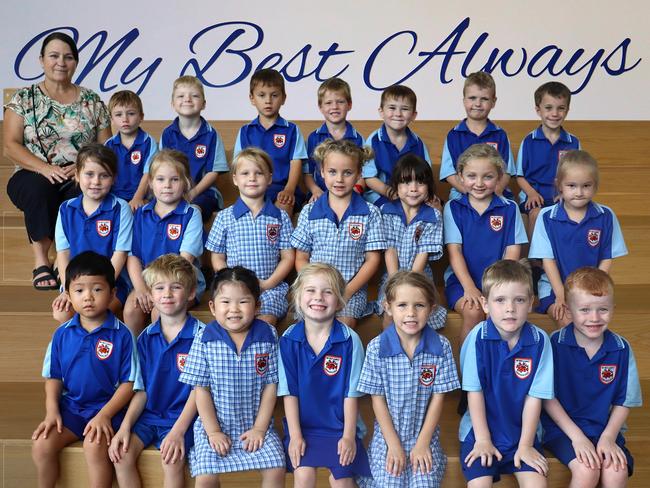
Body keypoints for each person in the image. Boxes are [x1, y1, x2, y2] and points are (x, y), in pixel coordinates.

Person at [4, 32, 111, 290]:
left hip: (81, 173)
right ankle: (41, 260)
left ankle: (65, 260)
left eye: (68, 57)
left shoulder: (92, 101)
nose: (60, 62)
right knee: (39, 189)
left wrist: (82, 169)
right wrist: (45, 169)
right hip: (32, 172)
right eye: (53, 56)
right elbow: (10, 145)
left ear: (76, 62)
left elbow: (106, 147)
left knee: (85, 192)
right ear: (42, 60)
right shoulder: (23, 99)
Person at [31, 251, 140, 488]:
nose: (88, 297)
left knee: (94, 446)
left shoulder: (122, 335)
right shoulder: (62, 333)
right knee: (41, 445)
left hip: (108, 411)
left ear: (112, 293)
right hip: (72, 409)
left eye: (97, 290)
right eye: (79, 290)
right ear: (68, 295)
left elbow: (129, 383)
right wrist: (52, 411)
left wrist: (105, 415)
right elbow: (53, 377)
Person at [179, 266, 286, 487]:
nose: (234, 309)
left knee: (276, 467)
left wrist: (259, 428)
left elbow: (270, 385)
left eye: (243, 302)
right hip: (214, 425)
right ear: (212, 306)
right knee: (206, 478)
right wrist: (214, 432)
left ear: (257, 306)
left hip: (256, 424)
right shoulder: (204, 338)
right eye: (225, 302)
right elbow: (201, 390)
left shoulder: (269, 336)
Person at [542, 267, 642, 488]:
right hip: (562, 429)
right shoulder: (553, 344)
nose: (594, 318)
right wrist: (577, 437)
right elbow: (546, 397)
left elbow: (624, 400)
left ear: (613, 309)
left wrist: (608, 437)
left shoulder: (621, 348)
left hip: (603, 428)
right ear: (568, 310)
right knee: (587, 471)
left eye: (603, 309)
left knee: (616, 471)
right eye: (585, 310)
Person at [358, 271, 460, 487]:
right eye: (402, 305)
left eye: (419, 305)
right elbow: (377, 400)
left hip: (424, 435)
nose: (411, 313)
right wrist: (393, 444)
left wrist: (423, 443)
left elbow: (438, 399)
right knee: (390, 481)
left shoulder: (441, 347)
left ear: (431, 309)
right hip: (388, 437)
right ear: (388, 307)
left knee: (424, 481)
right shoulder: (377, 348)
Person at [109, 254, 203, 488]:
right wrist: (125, 427)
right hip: (149, 417)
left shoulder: (204, 337)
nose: (167, 294)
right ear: (150, 295)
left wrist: (178, 431)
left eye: (176, 287)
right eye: (159, 288)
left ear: (191, 293)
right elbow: (140, 391)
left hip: (185, 418)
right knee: (122, 455)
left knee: (171, 460)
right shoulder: (144, 339)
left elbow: (199, 392)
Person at [459, 260, 553, 487]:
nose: (510, 308)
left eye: (519, 300)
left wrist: (526, 445)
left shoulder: (540, 341)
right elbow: (474, 392)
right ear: (485, 304)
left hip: (522, 433)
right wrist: (482, 440)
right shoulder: (477, 338)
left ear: (531, 302)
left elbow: (535, 396)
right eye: (500, 300)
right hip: (480, 432)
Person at [278, 263, 371, 487]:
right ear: (298, 297)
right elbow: (289, 393)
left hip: (341, 428)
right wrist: (295, 435)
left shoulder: (350, 340)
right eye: (310, 290)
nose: (318, 297)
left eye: (327, 291)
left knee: (342, 481)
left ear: (339, 301)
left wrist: (348, 436)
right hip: (304, 427)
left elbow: (351, 394)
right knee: (303, 475)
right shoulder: (289, 339)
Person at [291, 139, 386, 329]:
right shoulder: (310, 212)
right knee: (311, 327)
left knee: (344, 327)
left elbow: (372, 260)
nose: (339, 179)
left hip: (351, 291)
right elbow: (301, 258)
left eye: (348, 173)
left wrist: (346, 292)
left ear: (359, 174)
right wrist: (316, 289)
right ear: (322, 173)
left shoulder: (370, 213)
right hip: (315, 291)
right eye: (333, 172)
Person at [529, 150, 627, 327]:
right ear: (559, 185)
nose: (579, 192)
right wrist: (561, 294)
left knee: (592, 323)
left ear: (595, 185)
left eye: (586, 186)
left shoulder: (605, 216)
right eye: (572, 186)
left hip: (590, 288)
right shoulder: (546, 217)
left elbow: (606, 258)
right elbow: (547, 261)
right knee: (568, 322)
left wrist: (592, 290)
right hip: (553, 288)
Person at [443, 144, 527, 340]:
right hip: (461, 281)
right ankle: (467, 369)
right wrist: (470, 288)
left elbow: (512, 255)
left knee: (498, 314)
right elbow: (454, 252)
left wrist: (497, 290)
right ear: (461, 177)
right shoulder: (453, 208)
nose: (479, 183)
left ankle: (496, 366)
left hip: (501, 283)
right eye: (472, 176)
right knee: (474, 312)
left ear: (499, 178)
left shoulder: (509, 208)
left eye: (487, 177)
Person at [206, 147, 295, 326]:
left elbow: (287, 257)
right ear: (235, 179)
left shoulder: (280, 217)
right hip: (234, 287)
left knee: (266, 321)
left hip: (269, 289)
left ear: (269, 178)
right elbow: (217, 256)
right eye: (245, 173)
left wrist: (269, 283)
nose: (252, 178)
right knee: (232, 319)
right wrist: (231, 280)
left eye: (259, 173)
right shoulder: (225, 217)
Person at [123, 149, 204, 335]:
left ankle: (161, 357)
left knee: (159, 312)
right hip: (147, 281)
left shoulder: (191, 214)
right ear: (150, 183)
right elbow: (133, 256)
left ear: (185, 183)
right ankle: (136, 359)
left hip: (180, 282)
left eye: (174, 179)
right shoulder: (141, 214)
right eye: (160, 179)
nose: (167, 185)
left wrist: (159, 289)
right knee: (130, 309)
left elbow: (185, 261)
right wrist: (141, 288)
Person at [52, 143, 133, 324]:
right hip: (76, 283)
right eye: (89, 174)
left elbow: (120, 255)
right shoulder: (66, 209)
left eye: (104, 176)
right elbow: (63, 253)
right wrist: (68, 290)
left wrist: (102, 287)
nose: (96, 182)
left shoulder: (121, 208)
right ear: (77, 175)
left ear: (114, 179)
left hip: (111, 284)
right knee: (61, 314)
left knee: (94, 314)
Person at [377, 154, 446, 330]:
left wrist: (409, 285)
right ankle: (388, 353)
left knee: (418, 313)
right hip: (392, 276)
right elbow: (390, 250)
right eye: (406, 183)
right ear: (396, 187)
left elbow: (422, 255)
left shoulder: (433, 216)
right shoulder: (386, 211)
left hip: (420, 276)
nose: (413, 189)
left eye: (420, 183)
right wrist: (395, 283)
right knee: (390, 310)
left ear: (429, 187)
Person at [234, 68, 308, 216]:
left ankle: (280, 239)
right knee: (247, 211)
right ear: (252, 98)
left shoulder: (291, 130)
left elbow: (296, 163)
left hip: (283, 188)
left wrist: (289, 189)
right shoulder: (245, 131)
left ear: (283, 98)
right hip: (254, 188)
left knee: (283, 206)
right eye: (261, 95)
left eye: (274, 95)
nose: (268, 101)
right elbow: (239, 166)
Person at [157, 75, 228, 222]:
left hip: (204, 193)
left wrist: (192, 193)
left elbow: (213, 172)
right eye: (181, 96)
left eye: (194, 96)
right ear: (172, 103)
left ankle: (195, 245)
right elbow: (161, 169)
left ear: (203, 104)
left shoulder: (211, 134)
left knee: (193, 211)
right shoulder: (167, 134)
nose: (187, 99)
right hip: (172, 191)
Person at [515, 81, 580, 238]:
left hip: (563, 196)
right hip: (535, 195)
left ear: (567, 110)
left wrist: (567, 193)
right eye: (548, 108)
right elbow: (520, 176)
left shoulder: (573, 142)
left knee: (575, 214)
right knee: (536, 214)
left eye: (561, 108)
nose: (555, 113)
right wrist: (531, 193)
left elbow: (578, 175)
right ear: (538, 110)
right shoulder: (529, 140)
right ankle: (534, 260)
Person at [439, 71, 515, 201]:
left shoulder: (500, 134)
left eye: (484, 99)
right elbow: (449, 173)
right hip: (461, 194)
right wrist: (470, 193)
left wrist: (495, 192)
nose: (478, 104)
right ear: (464, 100)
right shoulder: (454, 135)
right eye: (472, 98)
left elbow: (507, 172)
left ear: (493, 102)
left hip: (495, 193)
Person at [362, 85, 435, 207]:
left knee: (432, 211)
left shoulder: (418, 143)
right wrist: (388, 192)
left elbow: (426, 175)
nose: (398, 114)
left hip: (411, 195)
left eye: (405, 109)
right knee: (389, 213)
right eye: (392, 108)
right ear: (381, 112)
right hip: (381, 196)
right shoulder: (373, 141)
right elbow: (368, 177)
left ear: (413, 115)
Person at [304, 77, 364, 201]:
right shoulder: (313, 138)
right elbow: (307, 173)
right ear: (320, 107)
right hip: (320, 193)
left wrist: (355, 190)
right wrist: (315, 190)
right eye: (328, 103)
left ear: (349, 105)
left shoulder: (358, 139)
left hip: (349, 193)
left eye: (340, 102)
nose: (335, 107)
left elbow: (363, 174)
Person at [104, 90, 158, 211]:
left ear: (141, 117)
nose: (125, 119)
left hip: (142, 196)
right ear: (111, 119)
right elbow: (105, 174)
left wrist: (137, 197)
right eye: (118, 115)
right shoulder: (109, 145)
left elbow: (148, 174)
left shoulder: (149, 142)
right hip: (114, 196)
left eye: (131, 114)